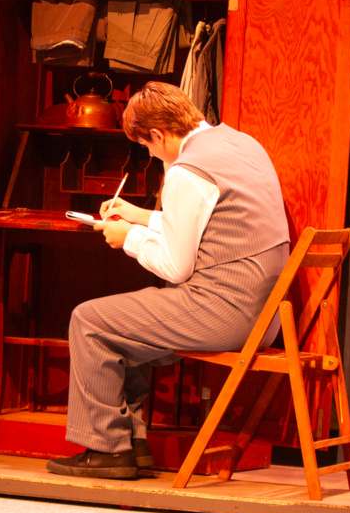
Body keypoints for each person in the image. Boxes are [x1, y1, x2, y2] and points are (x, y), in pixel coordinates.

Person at [47, 81, 290, 480]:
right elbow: (210, 223)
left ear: (158, 134)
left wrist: (129, 239)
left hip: (226, 314)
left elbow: (177, 266)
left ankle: (107, 450)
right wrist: (140, 215)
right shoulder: (242, 145)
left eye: (147, 146)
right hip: (264, 315)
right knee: (133, 320)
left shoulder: (187, 172)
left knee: (90, 321)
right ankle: (135, 445)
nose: (149, 153)